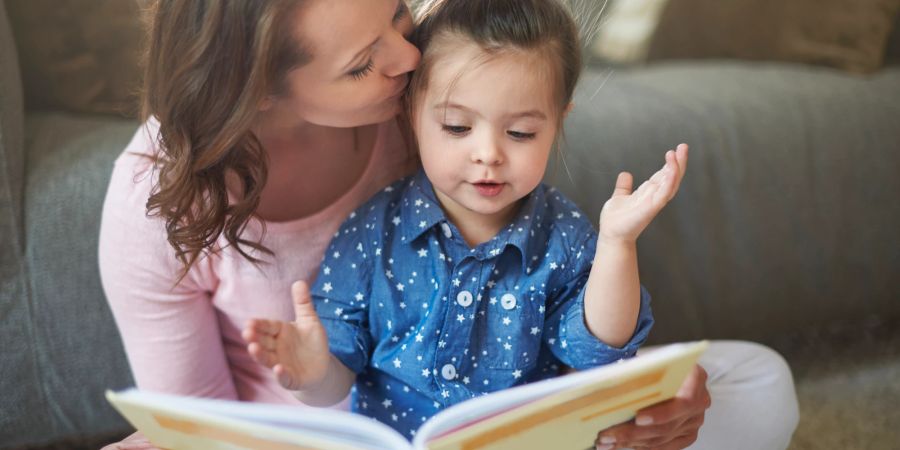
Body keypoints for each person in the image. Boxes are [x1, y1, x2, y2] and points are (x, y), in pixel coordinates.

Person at [100, 0, 797, 449]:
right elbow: (192, 431)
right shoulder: (157, 198)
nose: (409, 61)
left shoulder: (430, 103)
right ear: (257, 87)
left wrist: (651, 405)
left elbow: (582, 343)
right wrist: (313, 374)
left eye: (399, 21)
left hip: (514, 424)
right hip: (320, 437)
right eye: (363, 64)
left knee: (752, 379)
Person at [242, 0, 679, 438]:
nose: (488, 153)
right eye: (456, 127)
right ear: (410, 113)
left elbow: (597, 353)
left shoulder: (563, 236)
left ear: (558, 122)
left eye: (521, 133)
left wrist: (617, 245)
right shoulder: (372, 232)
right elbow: (337, 377)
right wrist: (314, 374)